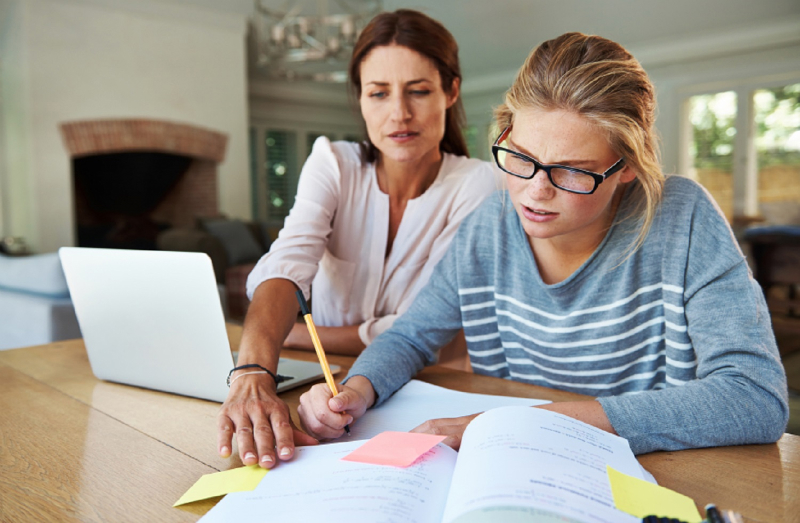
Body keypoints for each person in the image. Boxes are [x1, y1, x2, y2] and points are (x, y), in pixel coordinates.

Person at [297, 32, 789, 455]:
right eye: (521, 156)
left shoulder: (682, 218)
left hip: (652, 471)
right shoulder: (490, 223)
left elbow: (755, 398)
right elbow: (410, 336)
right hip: (514, 464)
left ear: (628, 168)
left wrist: (522, 425)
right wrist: (356, 390)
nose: (535, 191)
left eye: (572, 171)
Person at [217, 9, 496, 468]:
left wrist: (300, 337)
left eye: (419, 91)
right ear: (361, 100)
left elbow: (419, 330)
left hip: (421, 391)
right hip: (320, 389)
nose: (399, 114)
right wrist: (251, 371)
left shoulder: (480, 186)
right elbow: (287, 264)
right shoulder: (333, 163)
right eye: (378, 93)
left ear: (451, 91)